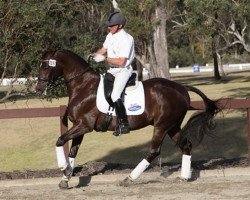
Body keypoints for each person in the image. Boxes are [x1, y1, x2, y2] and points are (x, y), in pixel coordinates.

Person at [92, 11, 135, 135]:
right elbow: (103, 49)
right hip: (111, 70)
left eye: (112, 25)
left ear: (120, 26)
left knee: (115, 95)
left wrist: (104, 59)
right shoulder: (110, 35)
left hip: (123, 71)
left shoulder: (126, 39)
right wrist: (95, 55)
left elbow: (121, 61)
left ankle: (124, 124)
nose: (109, 27)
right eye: (109, 25)